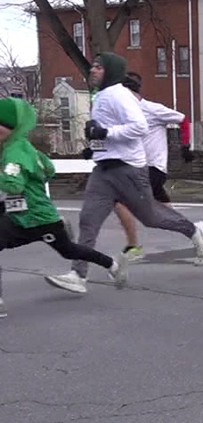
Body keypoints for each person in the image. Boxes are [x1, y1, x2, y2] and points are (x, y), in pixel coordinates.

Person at [44, 53, 203, 295]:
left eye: (99, 67)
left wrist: (105, 133)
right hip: (104, 170)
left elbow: (139, 127)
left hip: (128, 168)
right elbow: (105, 132)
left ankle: (193, 230)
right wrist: (94, 147)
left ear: (110, 71)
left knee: (151, 217)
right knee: (88, 221)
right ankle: (78, 274)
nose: (92, 70)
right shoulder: (100, 96)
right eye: (93, 66)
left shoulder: (119, 95)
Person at [0, 97, 127, 316]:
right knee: (68, 250)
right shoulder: (22, 146)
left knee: (68, 251)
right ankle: (112, 265)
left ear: (13, 128)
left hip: (36, 217)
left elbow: (14, 184)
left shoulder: (14, 152)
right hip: (22, 213)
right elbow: (49, 169)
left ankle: (111, 264)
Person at [114, 72, 191, 261]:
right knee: (166, 212)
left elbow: (183, 119)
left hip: (153, 167)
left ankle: (133, 247)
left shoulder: (152, 109)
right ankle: (196, 233)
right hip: (137, 167)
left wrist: (185, 146)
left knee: (119, 200)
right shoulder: (125, 114)